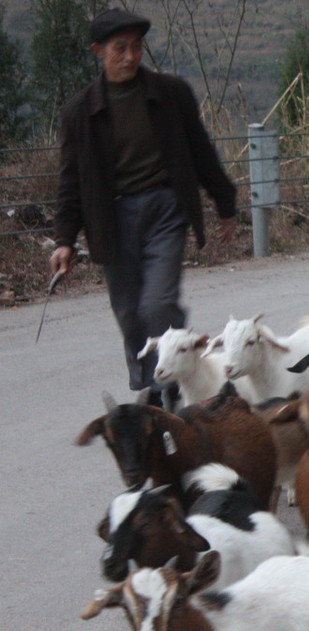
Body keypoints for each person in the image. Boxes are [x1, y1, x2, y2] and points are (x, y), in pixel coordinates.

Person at [51, 8, 237, 405]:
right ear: (98, 51)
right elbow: (71, 180)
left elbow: (200, 150)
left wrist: (224, 200)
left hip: (165, 209)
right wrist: (64, 239)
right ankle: (152, 385)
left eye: (136, 47)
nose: (130, 56)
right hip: (111, 218)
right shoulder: (80, 112)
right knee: (129, 312)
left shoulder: (170, 94)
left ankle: (170, 383)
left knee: (157, 302)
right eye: (120, 48)